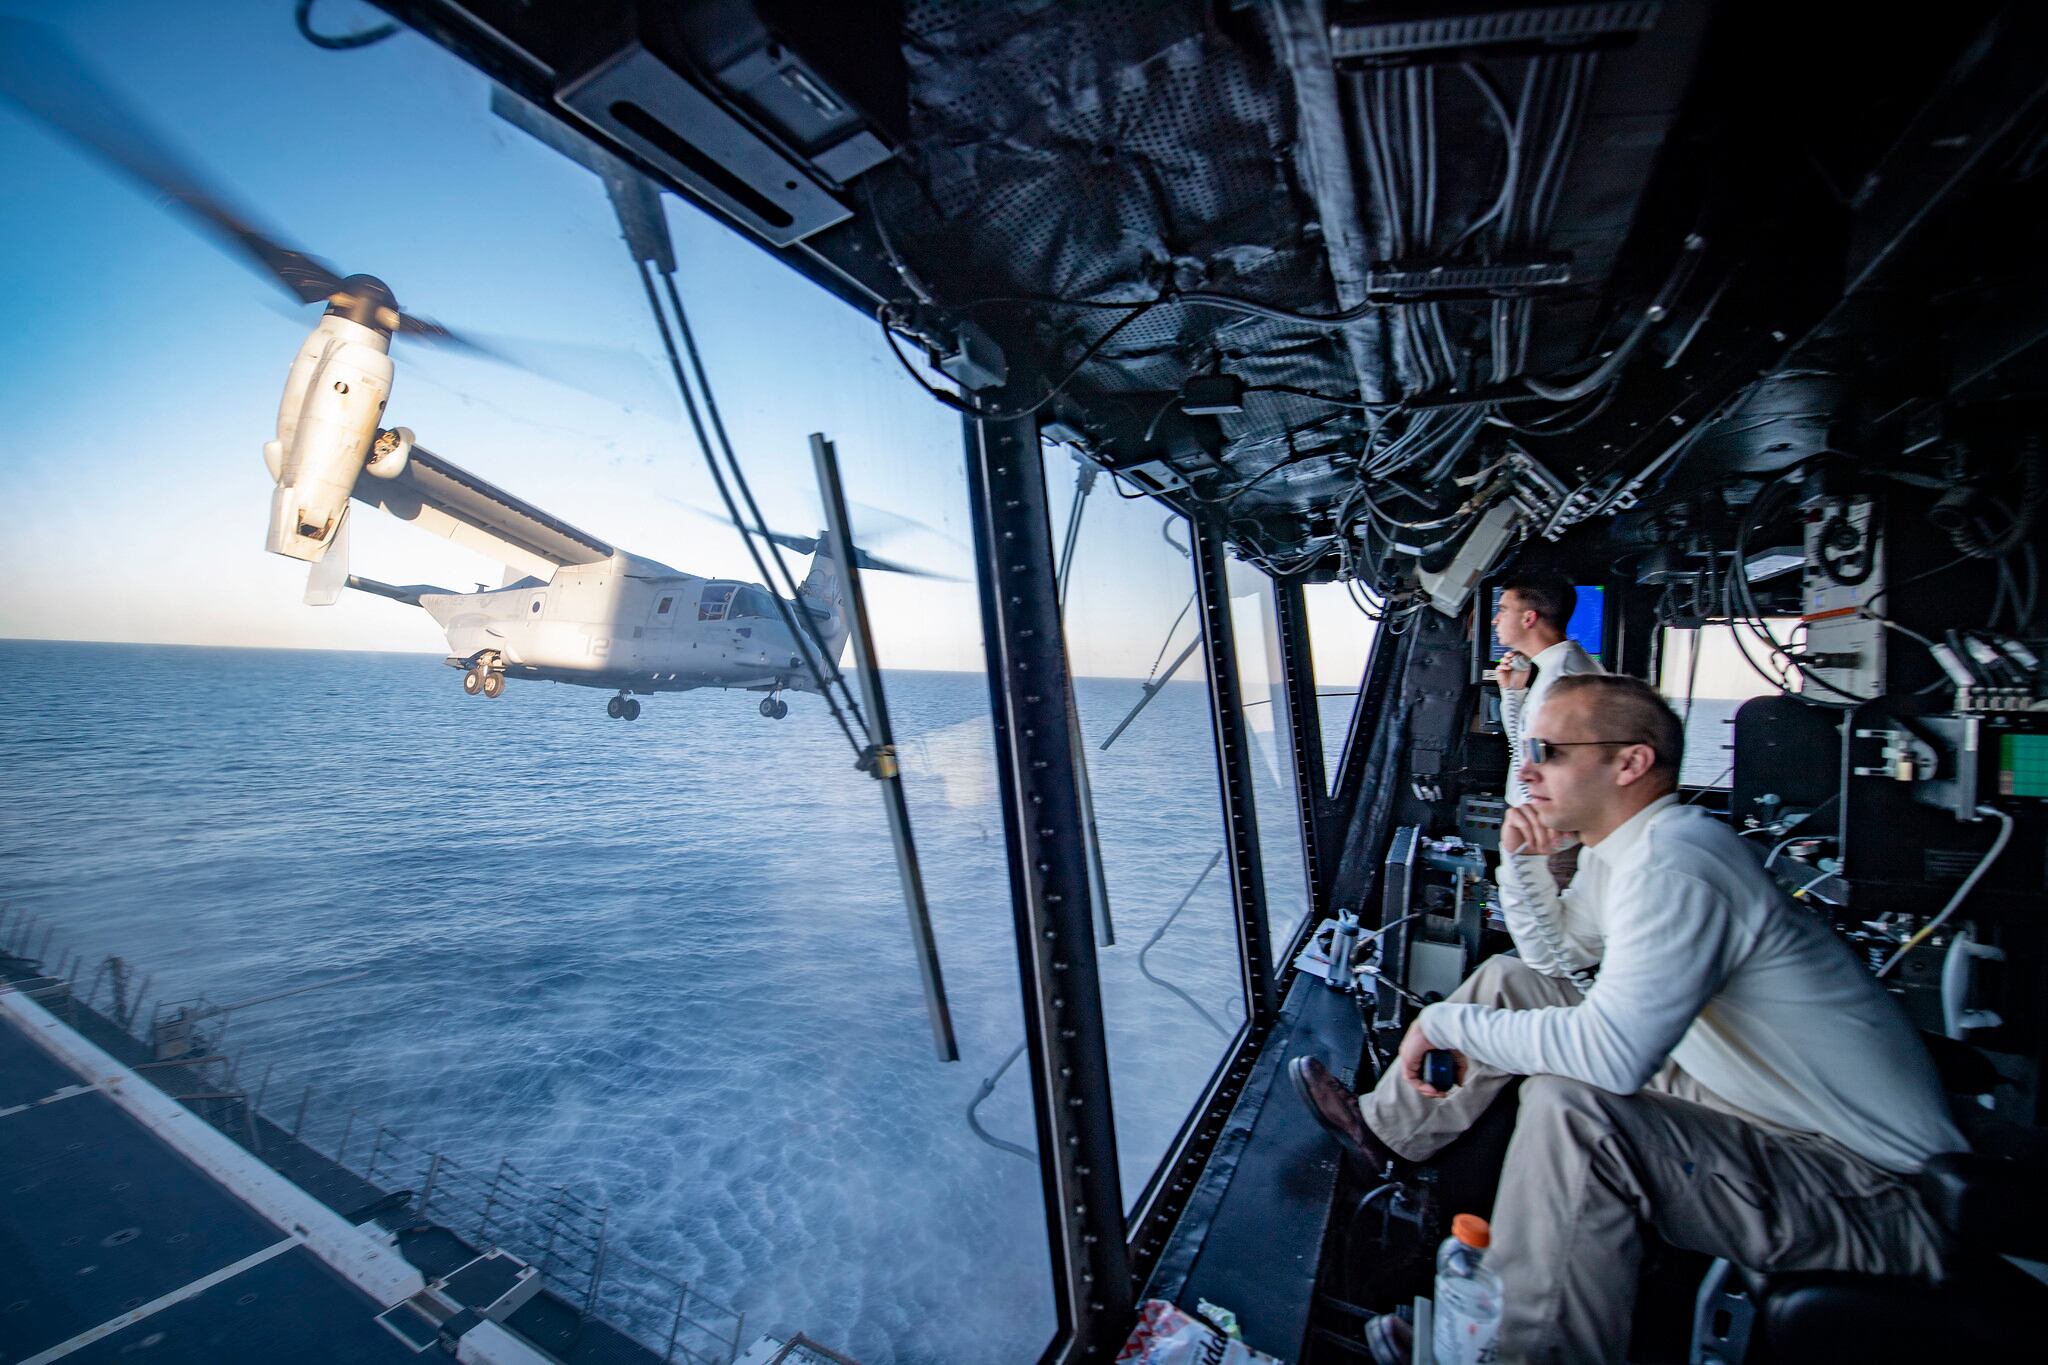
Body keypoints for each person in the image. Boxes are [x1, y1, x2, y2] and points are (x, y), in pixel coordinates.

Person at [1292, 674, 1963, 1364]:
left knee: (1574, 1113)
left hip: (1875, 1188)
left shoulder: (1679, 861)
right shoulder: (1631, 849)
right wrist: (1519, 863)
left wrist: (1444, 1024)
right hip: (1761, 1108)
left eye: (1549, 750)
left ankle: (1519, 1352)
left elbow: (1614, 1057)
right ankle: (1387, 1131)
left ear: (1630, 762)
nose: (1525, 770)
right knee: (1508, 983)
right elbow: (1555, 955)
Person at [1491, 569, 1602, 809]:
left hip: (1543, 827)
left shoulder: (1564, 680)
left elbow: (1562, 777)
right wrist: (1513, 692)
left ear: (1529, 618)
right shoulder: (1559, 669)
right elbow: (1526, 752)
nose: (1495, 620)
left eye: (1503, 610)